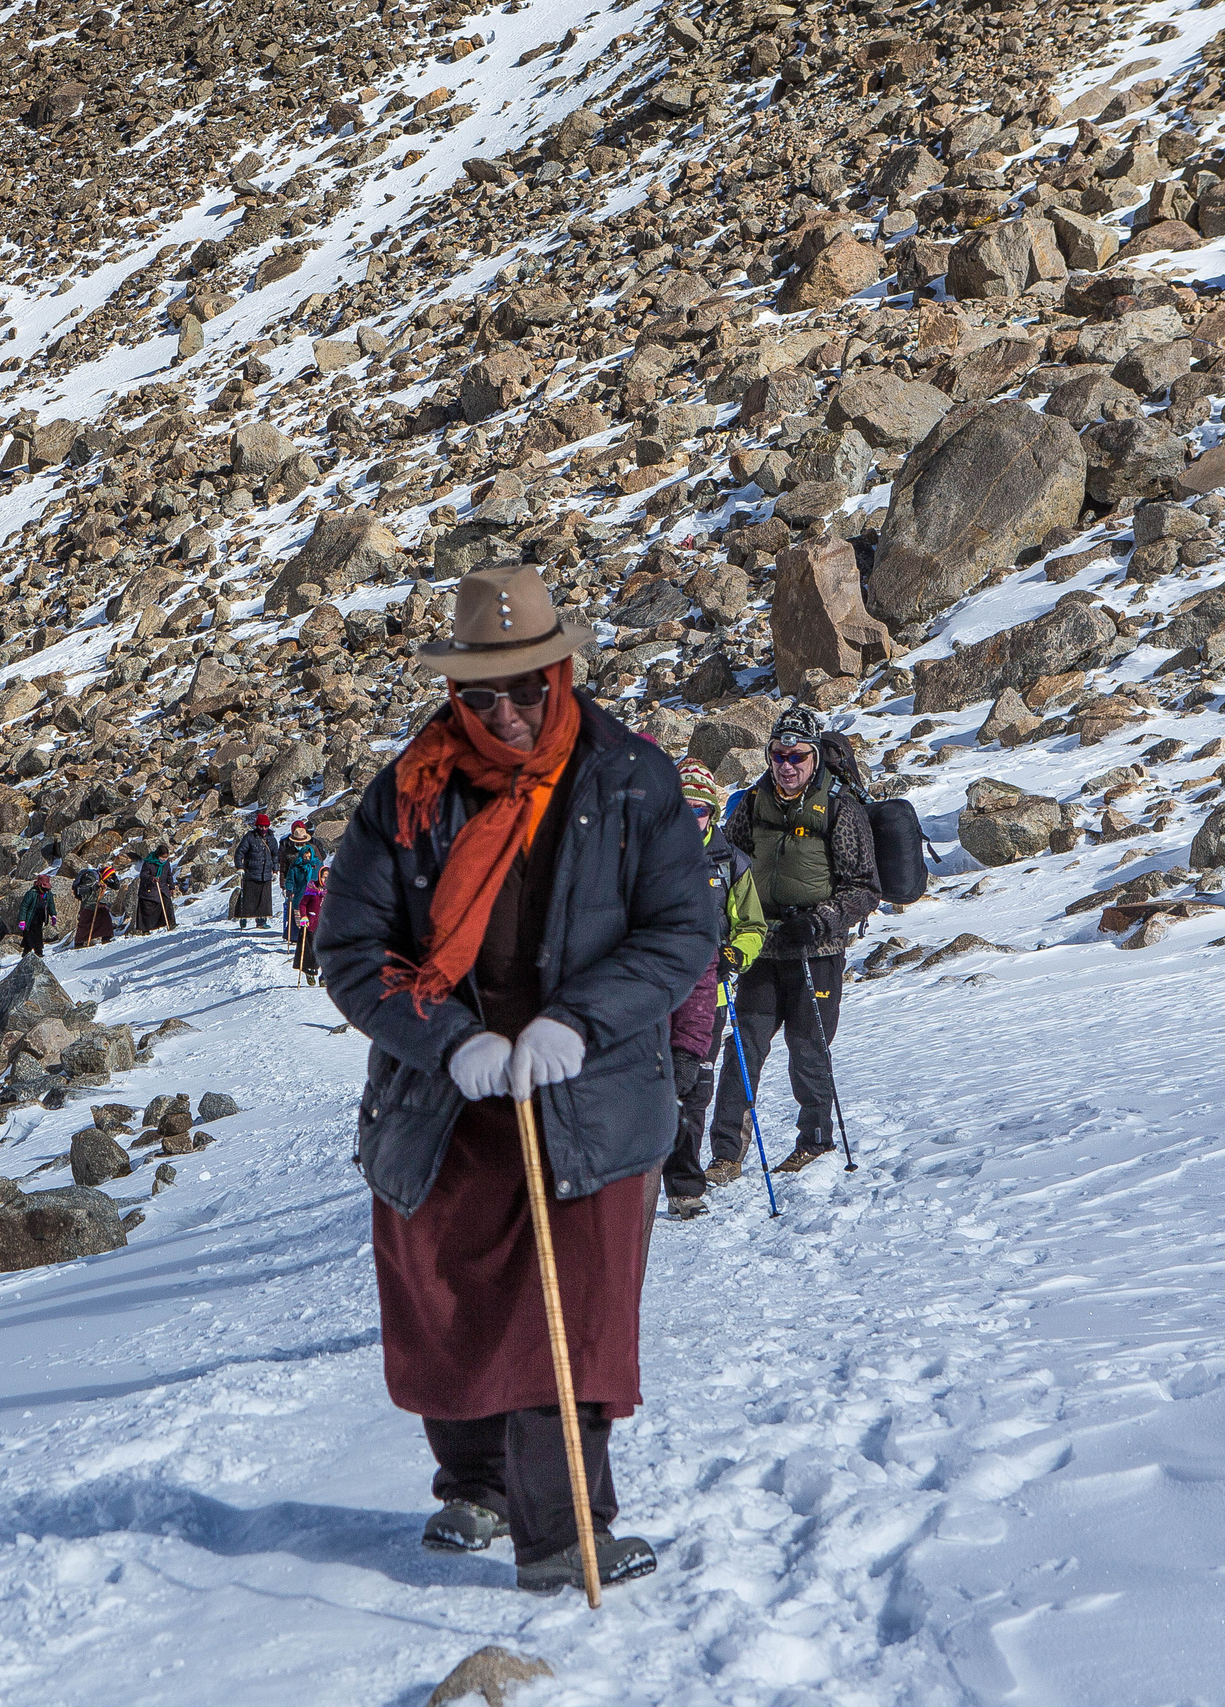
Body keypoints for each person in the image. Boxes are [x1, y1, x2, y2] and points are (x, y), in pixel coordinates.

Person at [318, 564, 717, 1596]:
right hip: (445, 1091)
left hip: (587, 1092)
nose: (505, 709)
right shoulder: (406, 792)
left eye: (527, 686)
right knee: (447, 1302)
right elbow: (353, 951)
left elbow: (682, 929)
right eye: (482, 693)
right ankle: (475, 1482)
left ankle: (564, 1533)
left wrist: (579, 1024)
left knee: (566, 1317)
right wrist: (450, 1040)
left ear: (561, 671)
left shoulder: (629, 778)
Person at [706, 708, 879, 1177]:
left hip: (815, 951)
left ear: (814, 756)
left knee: (809, 1046)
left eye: (796, 756)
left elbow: (864, 887)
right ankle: (726, 1154)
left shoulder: (840, 808)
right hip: (761, 946)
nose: (786, 765)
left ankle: (815, 1141)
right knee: (744, 1046)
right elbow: (725, 864)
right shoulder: (752, 803)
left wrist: (822, 922)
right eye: (778, 755)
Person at [662, 759, 767, 1219]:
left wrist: (736, 954)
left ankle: (684, 1186)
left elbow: (753, 925)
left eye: (700, 810)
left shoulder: (732, 863)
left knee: (695, 1089)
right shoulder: (648, 857)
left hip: (712, 995)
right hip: (656, 994)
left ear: (713, 812)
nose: (692, 818)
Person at [231, 811, 278, 930]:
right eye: (261, 826)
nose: (263, 828)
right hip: (251, 872)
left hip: (265, 874)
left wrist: (275, 870)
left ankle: (261, 921)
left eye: (266, 826)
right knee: (248, 898)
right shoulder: (250, 837)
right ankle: (243, 917)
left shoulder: (271, 839)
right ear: (257, 826)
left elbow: (275, 856)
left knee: (264, 899)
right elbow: (239, 852)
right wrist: (240, 867)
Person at [281, 820, 325, 947]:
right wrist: (286, 887)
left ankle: (311, 939)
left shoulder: (314, 853)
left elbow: (321, 873)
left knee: (312, 916)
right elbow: (285, 871)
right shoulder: (290, 856)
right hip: (297, 891)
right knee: (297, 916)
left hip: (313, 894)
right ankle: (296, 938)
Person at [73, 863, 122, 948]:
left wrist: (115, 877)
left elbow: (116, 887)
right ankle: (79, 944)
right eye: (109, 877)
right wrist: (95, 886)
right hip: (88, 904)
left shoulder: (103, 879)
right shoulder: (91, 877)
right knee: (85, 924)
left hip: (98, 902)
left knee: (105, 917)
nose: (109, 879)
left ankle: (106, 938)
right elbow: (82, 890)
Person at [132, 847, 177, 933]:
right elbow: (143, 875)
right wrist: (152, 879)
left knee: (167, 904)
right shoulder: (148, 863)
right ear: (158, 855)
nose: (164, 859)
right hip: (149, 890)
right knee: (148, 911)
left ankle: (170, 923)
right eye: (163, 857)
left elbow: (169, 875)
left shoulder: (166, 863)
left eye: (166, 857)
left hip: (162, 888)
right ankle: (145, 929)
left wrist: (171, 887)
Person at [293, 871, 327, 984]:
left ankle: (324, 977)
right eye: (324, 877)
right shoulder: (312, 890)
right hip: (311, 924)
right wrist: (304, 916)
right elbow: (302, 904)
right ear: (319, 877)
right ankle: (310, 972)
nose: (326, 880)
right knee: (311, 950)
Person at [15, 873, 57, 956]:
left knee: (38, 934)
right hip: (30, 917)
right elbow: (24, 906)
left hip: (40, 917)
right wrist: (22, 920)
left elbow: (51, 905)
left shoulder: (48, 894)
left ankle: (39, 952)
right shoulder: (31, 893)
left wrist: (53, 915)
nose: (46, 890)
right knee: (28, 935)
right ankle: (27, 951)